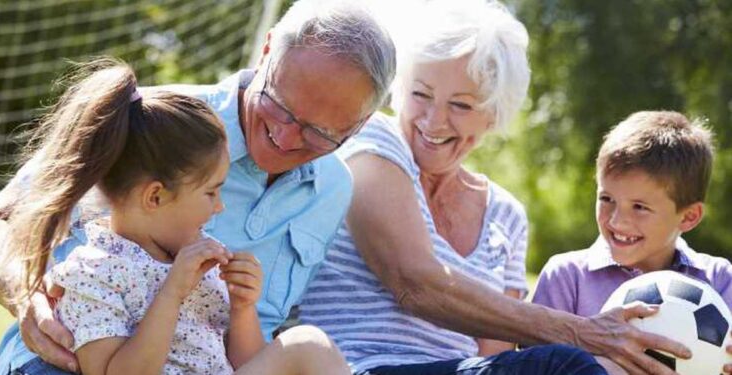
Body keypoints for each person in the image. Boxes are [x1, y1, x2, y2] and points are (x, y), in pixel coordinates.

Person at [0, 0, 396, 373]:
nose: (286, 139)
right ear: (267, 51)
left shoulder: (334, 189)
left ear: (359, 126)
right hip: (74, 362)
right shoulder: (149, 122)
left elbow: (265, 339)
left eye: (320, 132)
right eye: (281, 106)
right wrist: (26, 293)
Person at [298, 1, 689, 374]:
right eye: (421, 95)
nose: (433, 122)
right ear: (400, 90)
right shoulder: (373, 143)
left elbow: (496, 358)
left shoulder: (506, 215)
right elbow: (412, 282)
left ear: (493, 115)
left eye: (461, 106)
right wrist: (581, 332)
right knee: (567, 364)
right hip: (361, 365)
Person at [531, 110, 732, 374]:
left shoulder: (719, 279)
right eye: (606, 199)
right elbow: (535, 365)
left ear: (689, 217)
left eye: (639, 207)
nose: (617, 221)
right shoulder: (567, 278)